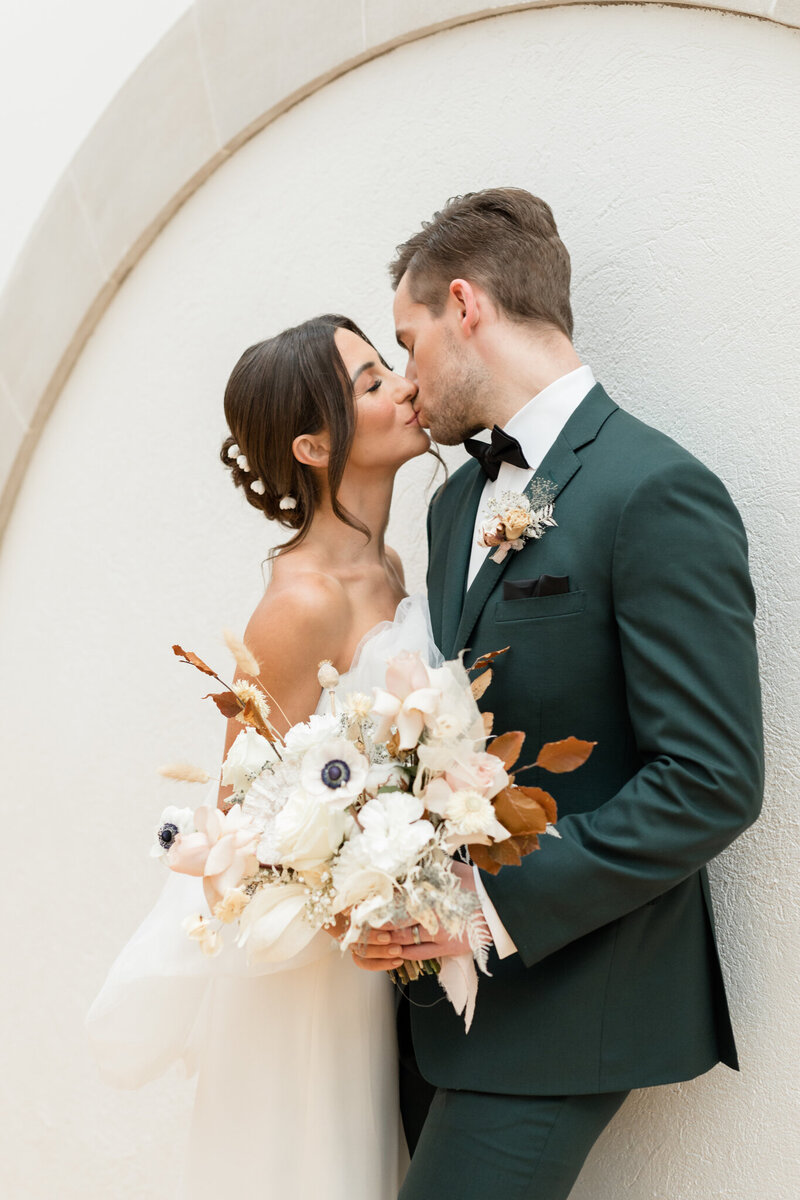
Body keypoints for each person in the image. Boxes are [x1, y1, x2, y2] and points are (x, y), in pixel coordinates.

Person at [356, 188, 764, 1200]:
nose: (406, 385)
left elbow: (710, 780)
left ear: (464, 306)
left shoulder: (653, 488)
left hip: (575, 995)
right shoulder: (452, 503)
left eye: (406, 344)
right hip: (436, 1008)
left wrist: (485, 906)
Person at [87, 314, 438, 1199]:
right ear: (315, 446)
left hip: (377, 969)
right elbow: (239, 827)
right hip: (310, 984)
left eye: (388, 366)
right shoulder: (299, 605)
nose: (404, 383)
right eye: (369, 382)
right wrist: (344, 916)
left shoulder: (387, 567)